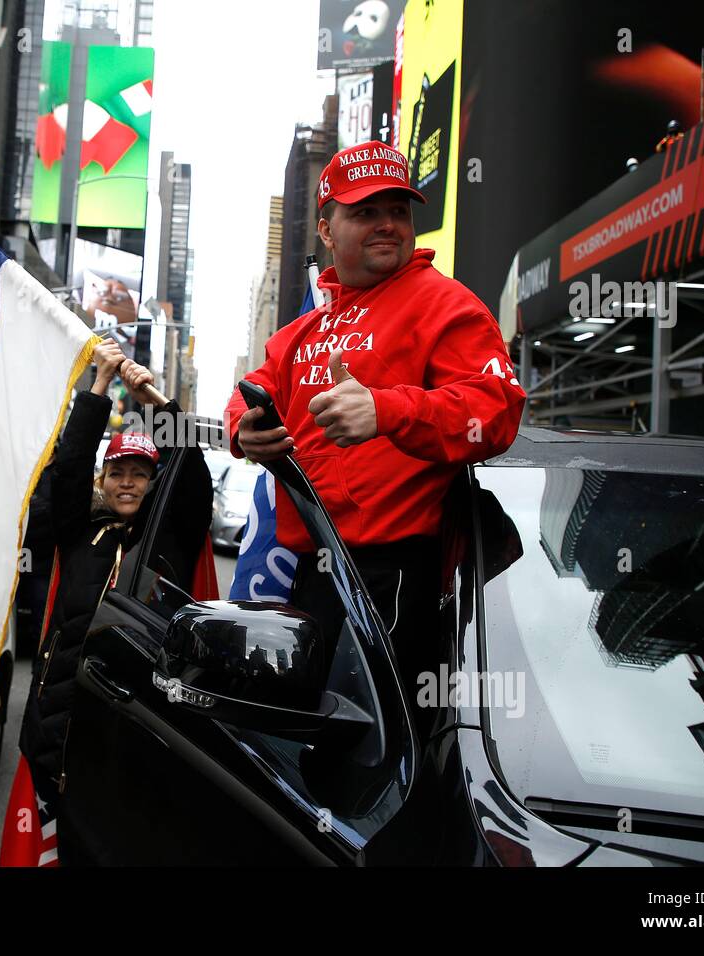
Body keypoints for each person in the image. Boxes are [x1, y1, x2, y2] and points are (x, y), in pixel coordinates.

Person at [223, 140, 526, 704]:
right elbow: (249, 395)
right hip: (307, 577)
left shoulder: (448, 305)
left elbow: (498, 409)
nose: (387, 224)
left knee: (367, 763)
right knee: (299, 750)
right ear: (326, 230)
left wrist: (387, 410)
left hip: (393, 580)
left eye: (398, 210)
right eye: (365, 211)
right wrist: (245, 431)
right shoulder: (301, 332)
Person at [18, 339, 213, 849]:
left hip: (133, 744)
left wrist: (150, 398)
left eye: (140, 475)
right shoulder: (78, 532)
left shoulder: (171, 537)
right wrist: (99, 385)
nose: (128, 484)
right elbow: (70, 464)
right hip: (57, 738)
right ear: (103, 482)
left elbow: (189, 468)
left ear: (153, 484)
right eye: (118, 473)